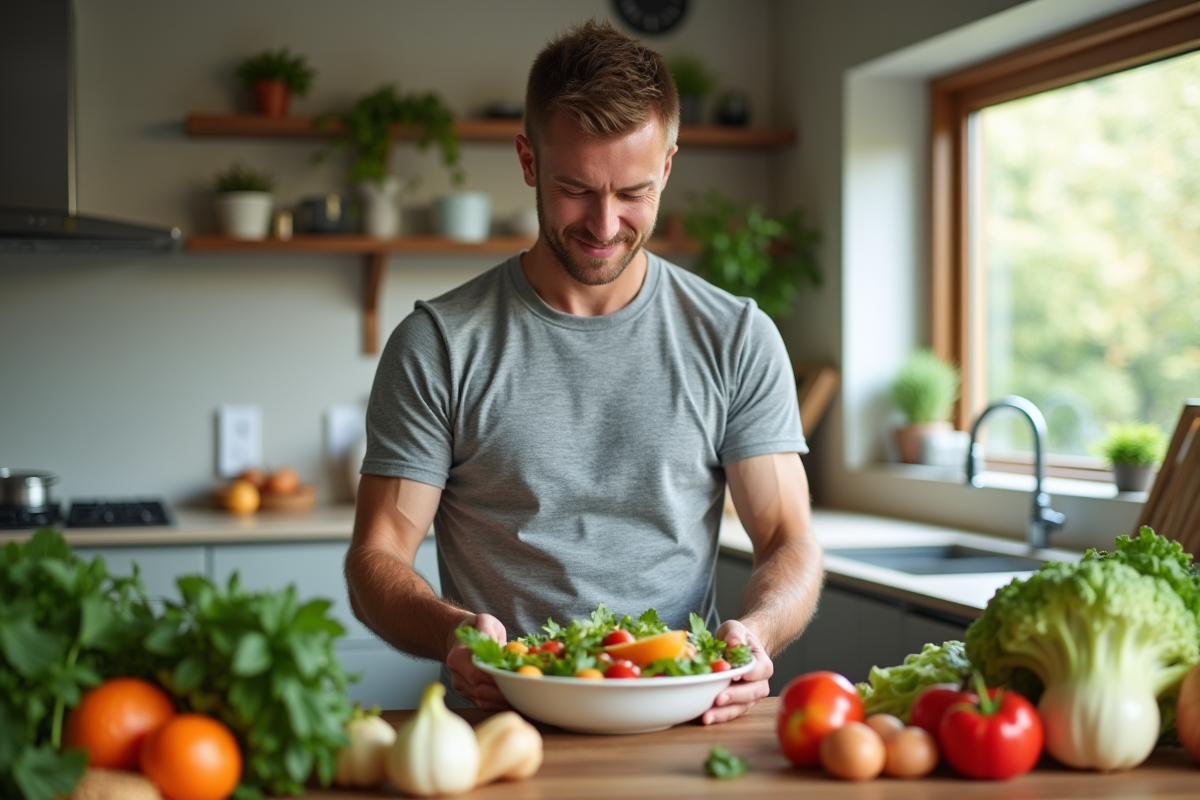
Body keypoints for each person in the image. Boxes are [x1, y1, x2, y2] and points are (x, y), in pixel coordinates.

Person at [345, 19, 822, 724]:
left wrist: (758, 634)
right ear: (528, 161)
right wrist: (452, 632)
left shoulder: (735, 337)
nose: (604, 225)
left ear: (667, 166)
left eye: (632, 191)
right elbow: (377, 556)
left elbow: (789, 539)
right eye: (576, 189)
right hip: (505, 725)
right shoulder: (440, 344)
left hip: (686, 721)